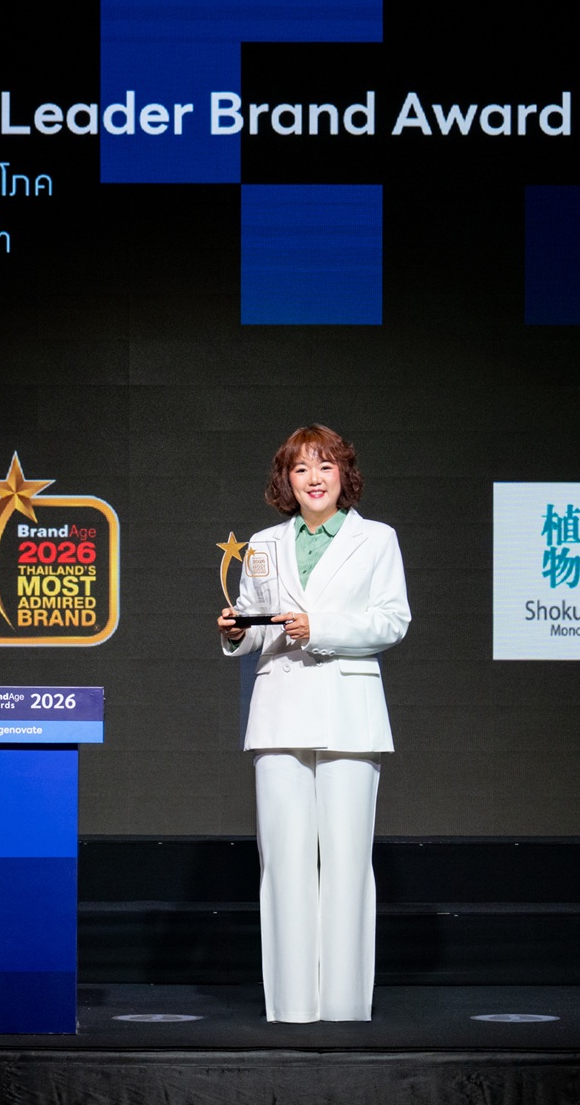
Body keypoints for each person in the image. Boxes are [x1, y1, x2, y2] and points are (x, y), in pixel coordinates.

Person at [216, 424, 411, 1022]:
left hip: (349, 713)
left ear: (343, 474)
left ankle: (345, 1006)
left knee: (347, 864)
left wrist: (319, 629)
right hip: (280, 713)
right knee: (284, 865)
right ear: (287, 481)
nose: (314, 478)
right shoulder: (264, 544)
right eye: (301, 469)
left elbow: (392, 621)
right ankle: (292, 1007)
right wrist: (239, 632)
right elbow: (259, 626)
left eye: (325, 465)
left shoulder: (376, 539)